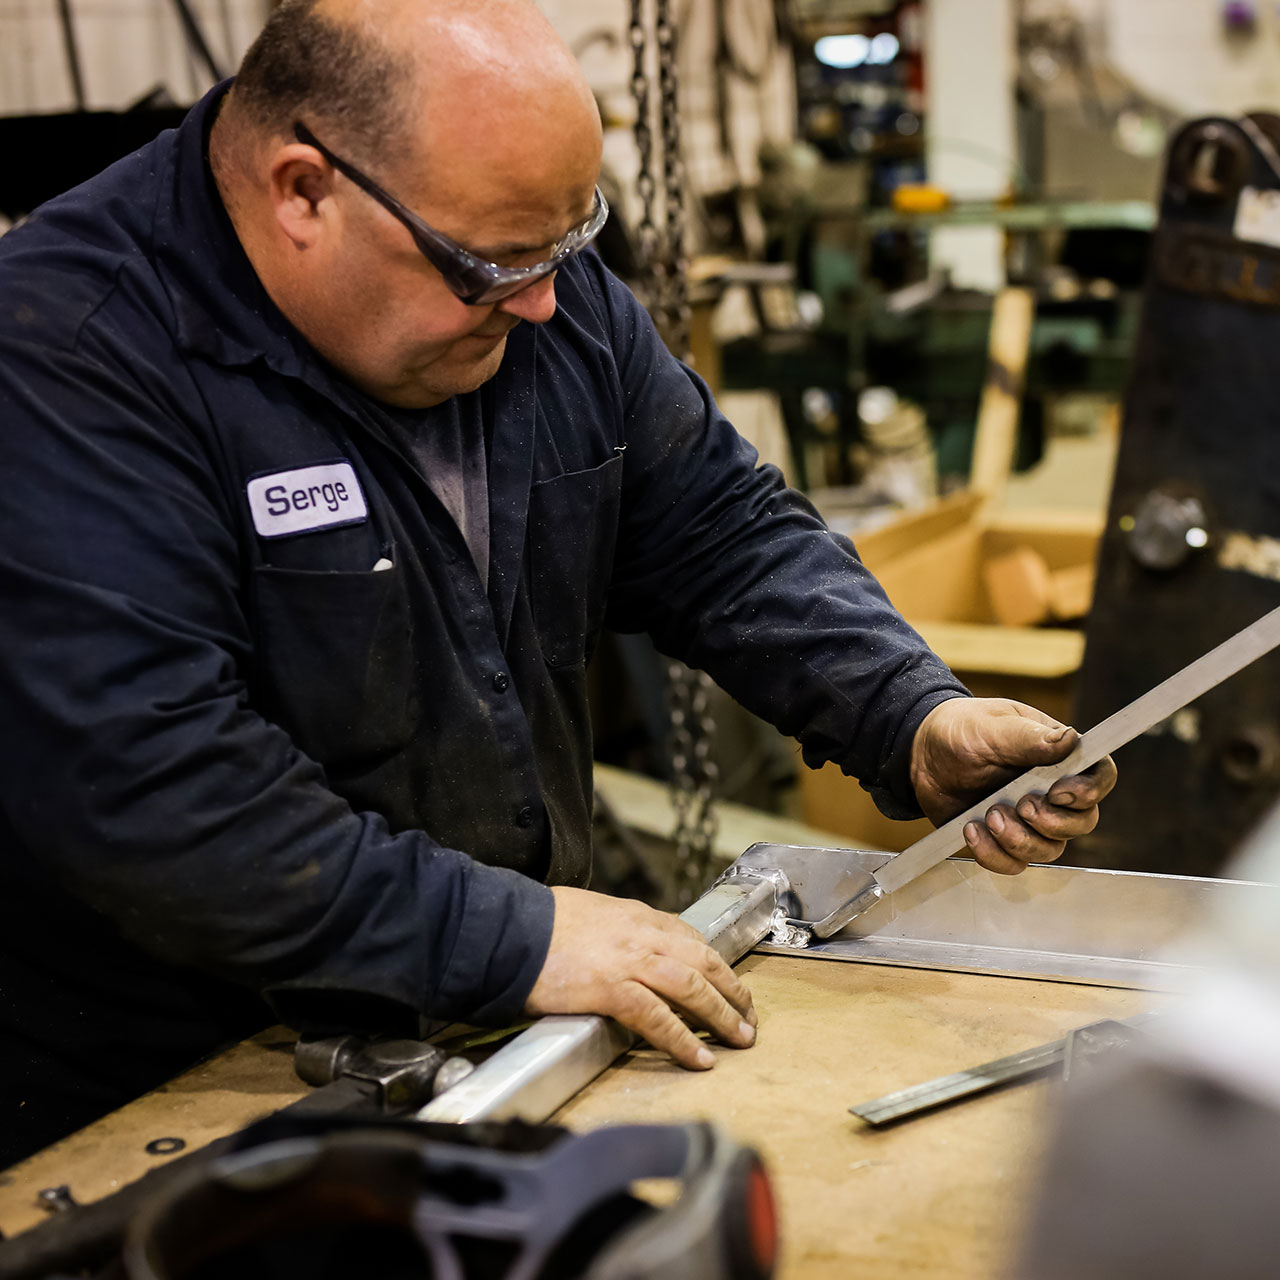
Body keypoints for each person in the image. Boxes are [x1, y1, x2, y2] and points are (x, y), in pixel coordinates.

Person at [0, 0, 1115, 1166]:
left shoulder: (531, 286)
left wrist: (906, 710)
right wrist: (511, 935)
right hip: (172, 1104)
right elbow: (148, 782)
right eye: (490, 265)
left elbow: (717, 528)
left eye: (564, 245)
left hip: (490, 1038)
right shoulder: (65, 356)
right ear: (303, 193)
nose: (541, 303)